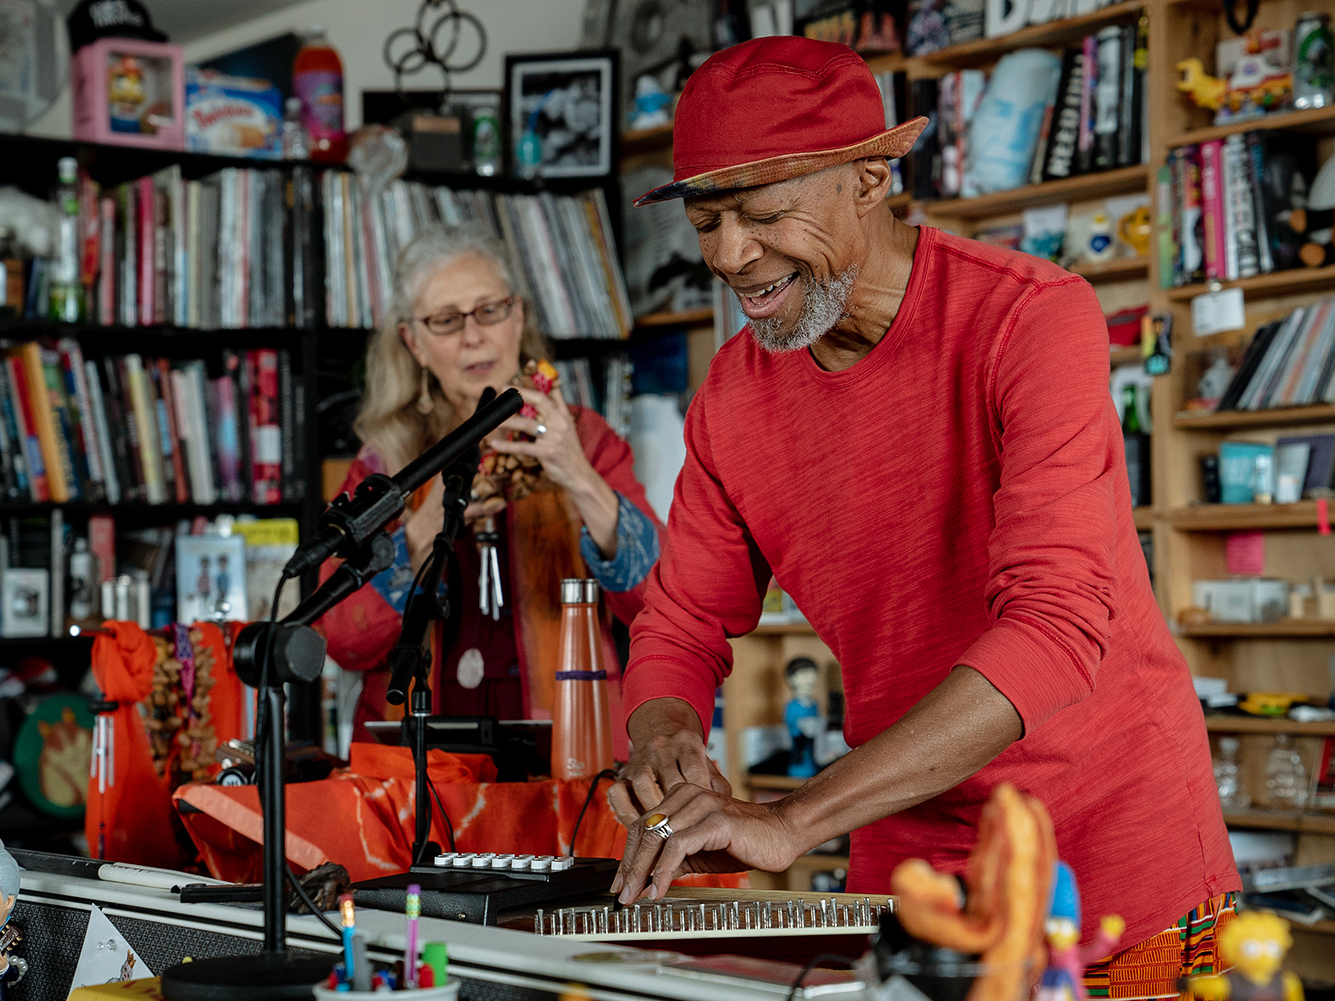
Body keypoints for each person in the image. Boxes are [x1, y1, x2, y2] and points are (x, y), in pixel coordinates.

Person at [609, 36, 1239, 995]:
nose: (730, 256)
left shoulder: (1030, 319)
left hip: (1114, 867)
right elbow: (681, 622)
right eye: (708, 221)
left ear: (869, 179)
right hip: (909, 876)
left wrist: (789, 818)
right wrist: (665, 746)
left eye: (763, 214)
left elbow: (1053, 627)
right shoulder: (730, 400)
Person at [319, 225, 662, 744]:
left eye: (489, 311)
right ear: (413, 342)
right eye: (445, 320)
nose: (472, 335)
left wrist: (578, 476)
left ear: (518, 315)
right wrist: (424, 524)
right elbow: (343, 639)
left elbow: (661, 604)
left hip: (568, 752)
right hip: (414, 766)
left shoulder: (585, 437)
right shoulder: (381, 465)